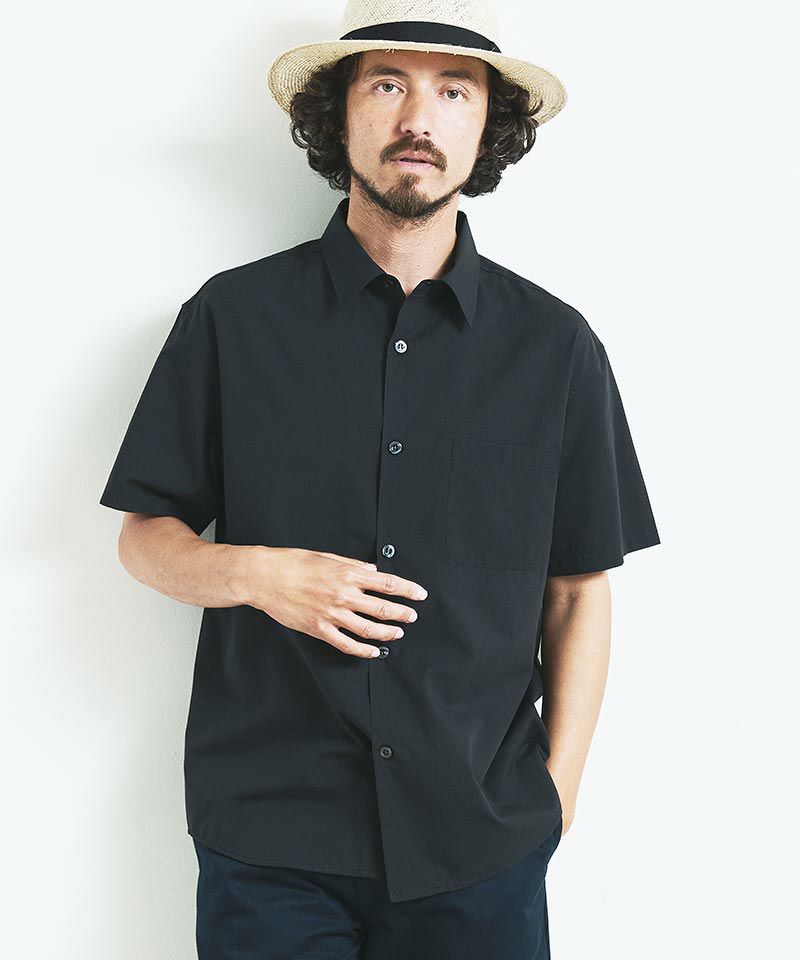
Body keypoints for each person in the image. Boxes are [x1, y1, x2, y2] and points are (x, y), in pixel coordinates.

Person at [99, 1, 661, 957]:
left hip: (480, 846)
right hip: (269, 841)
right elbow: (145, 540)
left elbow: (578, 590)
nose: (419, 119)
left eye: (455, 92)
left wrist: (556, 797)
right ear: (341, 112)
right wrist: (260, 576)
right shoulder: (232, 319)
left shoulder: (557, 348)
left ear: (487, 128)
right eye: (388, 84)